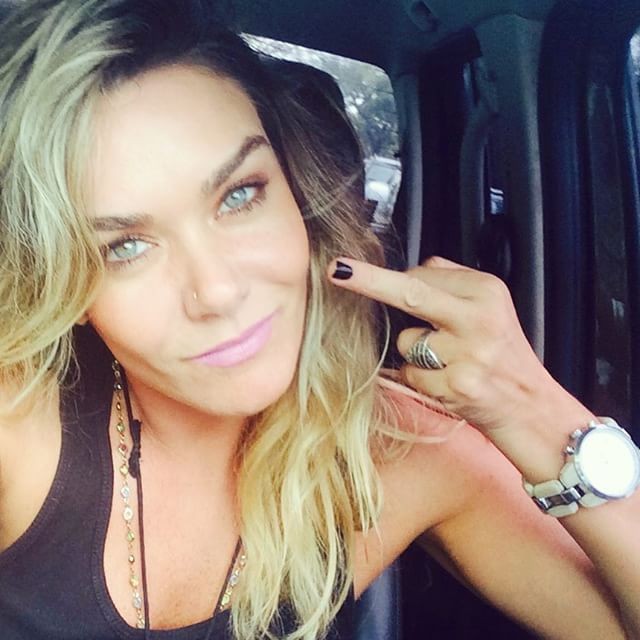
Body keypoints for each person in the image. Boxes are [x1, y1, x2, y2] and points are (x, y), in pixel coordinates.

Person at [0, 1, 638, 639]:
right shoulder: (20, 426)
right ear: (64, 286)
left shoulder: (403, 451)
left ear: (298, 197)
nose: (216, 291)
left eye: (239, 196)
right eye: (124, 247)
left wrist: (531, 408)